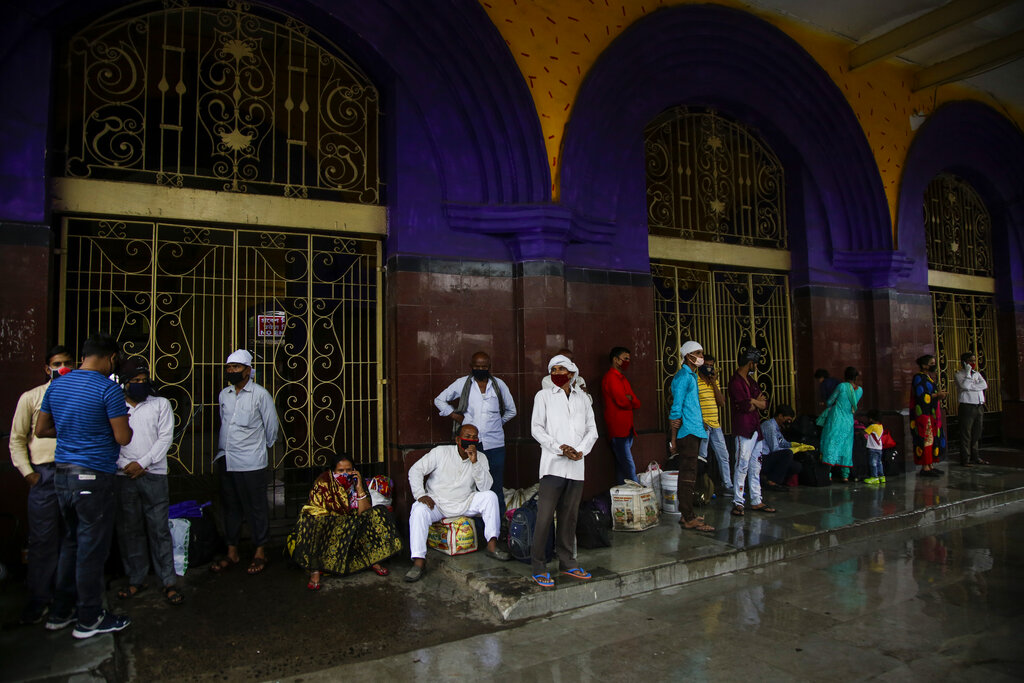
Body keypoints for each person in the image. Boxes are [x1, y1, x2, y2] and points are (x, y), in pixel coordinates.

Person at [34, 332, 133, 639]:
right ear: (111, 358)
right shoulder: (109, 389)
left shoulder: (57, 384)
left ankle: (61, 612)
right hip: (93, 477)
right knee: (91, 550)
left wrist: (72, 433)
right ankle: (89, 617)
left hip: (62, 476)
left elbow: (41, 429)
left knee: (71, 543)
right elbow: (123, 437)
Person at [9, 345, 75, 624]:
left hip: (73, 472)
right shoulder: (32, 397)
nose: (61, 368)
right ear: (46, 368)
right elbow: (17, 438)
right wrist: (28, 473)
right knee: (42, 540)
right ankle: (39, 598)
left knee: (73, 537)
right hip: (44, 475)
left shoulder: (78, 396)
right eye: (56, 363)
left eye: (67, 363)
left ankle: (66, 599)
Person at [114, 358, 183, 605]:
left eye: (144, 381)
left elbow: (165, 439)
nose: (141, 385)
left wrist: (142, 463)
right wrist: (125, 466)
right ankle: (136, 578)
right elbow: (109, 440)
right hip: (123, 476)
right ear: (125, 383)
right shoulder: (115, 406)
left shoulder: (160, 404)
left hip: (154, 474)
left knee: (159, 529)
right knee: (130, 530)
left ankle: (168, 581)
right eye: (135, 381)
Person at [405, 423, 511, 582]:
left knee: (490, 497)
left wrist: (475, 462)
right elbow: (415, 470)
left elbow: (485, 487)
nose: (471, 440)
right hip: (438, 503)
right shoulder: (441, 452)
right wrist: (420, 494)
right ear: (457, 439)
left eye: (475, 437)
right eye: (467, 437)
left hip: (465, 502)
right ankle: (419, 561)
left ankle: (492, 545)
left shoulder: (480, 457)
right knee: (418, 510)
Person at [529, 354, 599, 587]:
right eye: (553, 370)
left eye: (561, 369)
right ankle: (539, 565)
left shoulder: (583, 399)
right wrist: (560, 448)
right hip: (552, 465)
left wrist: (580, 450)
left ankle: (567, 561)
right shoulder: (544, 396)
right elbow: (537, 429)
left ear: (571, 373)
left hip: (577, 466)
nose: (557, 373)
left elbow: (592, 430)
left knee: (569, 517)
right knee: (545, 517)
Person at [210, 349, 280, 576]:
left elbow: (271, 428)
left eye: (236, 368)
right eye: (229, 368)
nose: (231, 371)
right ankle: (232, 551)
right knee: (231, 507)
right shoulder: (225, 395)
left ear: (248, 371)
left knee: (256, 507)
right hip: (227, 458)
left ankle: (260, 551)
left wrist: (260, 450)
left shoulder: (260, 395)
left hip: (251, 462)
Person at [290, 453, 402, 590]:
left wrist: (359, 488)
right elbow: (316, 509)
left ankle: (372, 559)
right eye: (340, 471)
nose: (345, 474)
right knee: (312, 521)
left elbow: (364, 512)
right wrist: (340, 519)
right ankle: (315, 570)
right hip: (331, 524)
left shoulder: (356, 482)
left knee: (378, 513)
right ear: (333, 471)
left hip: (353, 524)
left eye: (348, 470)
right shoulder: (323, 482)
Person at [433, 351, 517, 518]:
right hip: (470, 444)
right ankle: (477, 528)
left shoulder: (499, 385)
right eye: (477, 367)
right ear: (471, 367)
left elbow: (511, 410)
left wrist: (496, 423)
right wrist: (455, 415)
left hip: (495, 445)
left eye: (484, 367)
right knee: (471, 486)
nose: (480, 369)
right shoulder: (462, 383)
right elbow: (439, 400)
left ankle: (497, 527)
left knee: (495, 486)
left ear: (489, 367)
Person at [668, 342, 715, 532]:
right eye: (698, 353)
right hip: (686, 432)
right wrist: (673, 438)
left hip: (693, 429)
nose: (701, 356)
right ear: (688, 356)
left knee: (690, 473)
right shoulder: (682, 378)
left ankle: (687, 514)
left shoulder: (691, 376)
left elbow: (690, 406)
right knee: (688, 474)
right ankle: (687, 516)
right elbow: (676, 409)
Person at [729, 349, 775, 516]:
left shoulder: (750, 381)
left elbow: (764, 403)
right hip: (744, 429)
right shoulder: (735, 382)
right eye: (755, 363)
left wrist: (754, 401)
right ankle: (738, 501)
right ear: (750, 363)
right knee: (742, 465)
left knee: (756, 466)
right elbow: (746, 406)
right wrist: (755, 402)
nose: (756, 366)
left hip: (755, 428)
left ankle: (756, 499)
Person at [601, 346, 641, 484]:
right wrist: (628, 398)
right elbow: (622, 401)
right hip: (618, 429)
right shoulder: (611, 378)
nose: (627, 361)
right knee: (628, 466)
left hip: (627, 428)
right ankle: (638, 495)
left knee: (621, 466)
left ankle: (622, 500)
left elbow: (636, 402)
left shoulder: (622, 378)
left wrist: (629, 399)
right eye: (625, 359)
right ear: (616, 360)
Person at [695, 353, 732, 494]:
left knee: (724, 455)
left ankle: (727, 485)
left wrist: (714, 383)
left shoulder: (714, 381)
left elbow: (722, 403)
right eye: (707, 365)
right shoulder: (695, 381)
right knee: (702, 457)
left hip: (715, 425)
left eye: (711, 366)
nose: (709, 368)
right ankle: (703, 487)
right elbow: (692, 404)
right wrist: (699, 421)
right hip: (703, 424)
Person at [819, 366, 863, 482]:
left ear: (845, 376)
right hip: (849, 421)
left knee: (831, 444)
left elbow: (830, 401)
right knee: (846, 446)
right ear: (856, 377)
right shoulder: (860, 390)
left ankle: (827, 473)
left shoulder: (842, 386)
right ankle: (845, 476)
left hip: (836, 419)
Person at [910, 354, 947, 477]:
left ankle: (931, 464)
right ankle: (925, 467)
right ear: (924, 365)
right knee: (926, 439)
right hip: (923, 415)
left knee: (933, 439)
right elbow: (922, 396)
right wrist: (937, 396)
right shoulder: (918, 378)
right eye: (931, 363)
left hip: (932, 414)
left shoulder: (928, 377)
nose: (933, 365)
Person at [954, 351, 988, 466]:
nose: (973, 363)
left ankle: (976, 456)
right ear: (964, 362)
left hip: (979, 406)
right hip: (967, 406)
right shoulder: (959, 375)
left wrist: (971, 386)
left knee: (977, 433)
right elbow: (964, 386)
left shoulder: (977, 374)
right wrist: (968, 374)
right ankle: (965, 459)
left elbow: (984, 385)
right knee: (966, 434)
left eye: (974, 361)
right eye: (970, 361)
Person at [759, 404, 802, 490]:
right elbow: (775, 448)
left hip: (770, 458)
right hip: (762, 459)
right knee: (787, 454)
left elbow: (782, 442)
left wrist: (793, 445)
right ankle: (773, 482)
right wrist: (791, 450)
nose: (788, 422)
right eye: (788, 419)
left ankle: (770, 479)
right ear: (780, 416)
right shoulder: (769, 426)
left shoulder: (777, 428)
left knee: (796, 466)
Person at [863, 409, 885, 485]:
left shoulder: (872, 426)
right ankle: (881, 476)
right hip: (879, 448)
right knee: (879, 463)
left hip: (872, 448)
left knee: (873, 463)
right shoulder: (881, 426)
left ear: (871, 418)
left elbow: (864, 432)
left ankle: (874, 477)